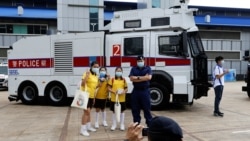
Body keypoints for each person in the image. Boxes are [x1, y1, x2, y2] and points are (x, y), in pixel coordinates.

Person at [129, 55, 152, 126]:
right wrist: (143, 78)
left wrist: (137, 78)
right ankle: (136, 124)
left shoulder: (148, 68)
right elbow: (131, 78)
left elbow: (149, 78)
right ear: (137, 61)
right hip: (136, 91)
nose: (140, 62)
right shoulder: (133, 69)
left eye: (141, 61)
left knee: (147, 109)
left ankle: (149, 124)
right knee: (135, 109)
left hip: (145, 91)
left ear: (144, 61)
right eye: (139, 61)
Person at [80, 61, 99, 136]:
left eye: (97, 67)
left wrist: (94, 97)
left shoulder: (95, 76)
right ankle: (82, 129)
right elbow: (82, 84)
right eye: (95, 66)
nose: (96, 68)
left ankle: (88, 126)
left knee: (89, 112)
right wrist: (87, 76)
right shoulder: (87, 73)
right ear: (91, 67)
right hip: (85, 95)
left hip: (91, 96)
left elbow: (94, 88)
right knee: (86, 112)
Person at [108, 67, 128, 131]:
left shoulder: (124, 80)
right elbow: (108, 88)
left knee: (122, 111)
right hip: (114, 98)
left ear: (122, 72)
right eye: (117, 71)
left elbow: (126, 88)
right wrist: (114, 91)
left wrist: (123, 91)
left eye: (120, 71)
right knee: (114, 111)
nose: (118, 72)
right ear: (115, 72)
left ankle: (122, 124)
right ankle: (114, 124)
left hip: (122, 99)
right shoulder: (112, 79)